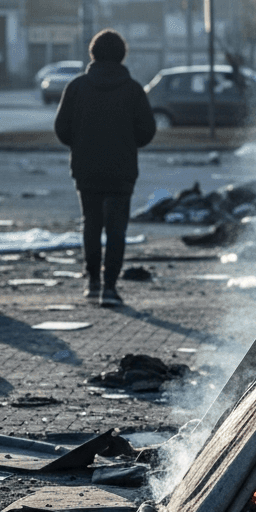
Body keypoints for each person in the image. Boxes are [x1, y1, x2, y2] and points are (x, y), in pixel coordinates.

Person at [53, 29, 156, 306]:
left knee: (91, 224)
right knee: (116, 229)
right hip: (122, 170)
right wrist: (126, 140)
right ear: (122, 54)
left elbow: (61, 129)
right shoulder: (133, 89)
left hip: (86, 169)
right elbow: (147, 131)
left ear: (93, 53)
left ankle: (92, 282)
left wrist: (81, 142)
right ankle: (110, 287)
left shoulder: (77, 87)